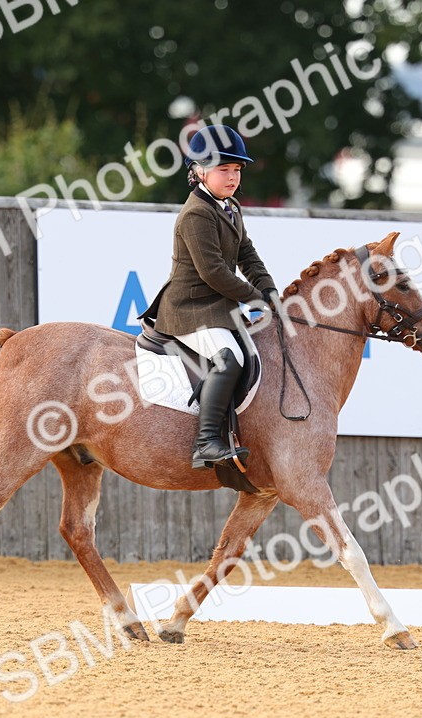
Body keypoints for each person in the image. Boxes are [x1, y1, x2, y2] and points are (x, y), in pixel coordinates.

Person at [140, 124, 280, 470]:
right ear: (200, 171)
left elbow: (247, 255)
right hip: (190, 309)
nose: (232, 177)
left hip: (218, 306)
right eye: (224, 170)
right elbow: (214, 272)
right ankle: (207, 443)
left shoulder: (230, 206)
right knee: (229, 357)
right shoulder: (196, 213)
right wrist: (255, 298)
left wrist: (270, 290)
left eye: (236, 170)